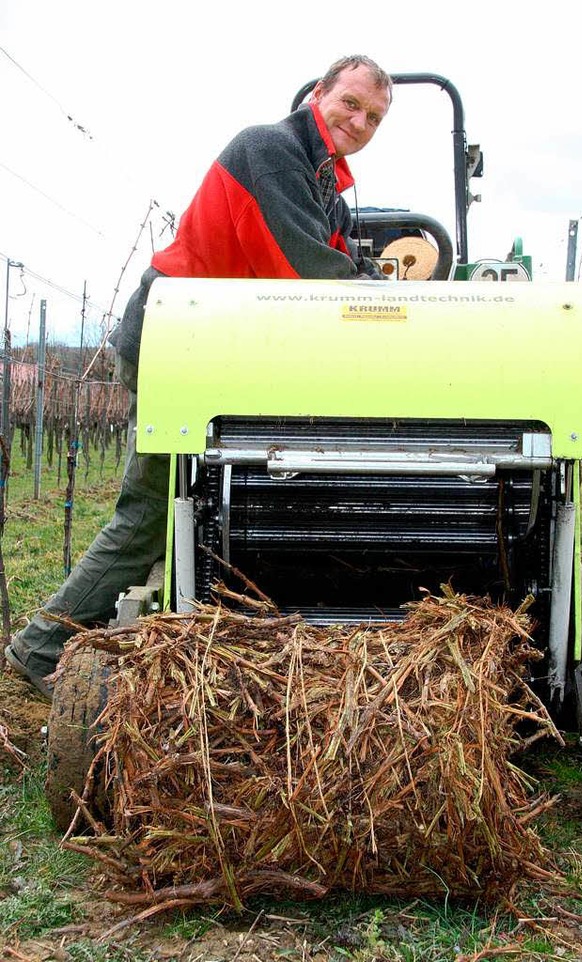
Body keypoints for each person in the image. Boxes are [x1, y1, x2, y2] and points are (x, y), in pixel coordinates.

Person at [4, 54, 393, 698]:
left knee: (197, 498)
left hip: (213, 347)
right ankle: (43, 647)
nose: (359, 121)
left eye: (374, 117)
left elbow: (339, 251)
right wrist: (376, 293)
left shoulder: (322, 178)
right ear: (319, 93)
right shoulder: (269, 149)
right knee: (153, 507)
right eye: (350, 103)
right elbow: (304, 271)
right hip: (173, 340)